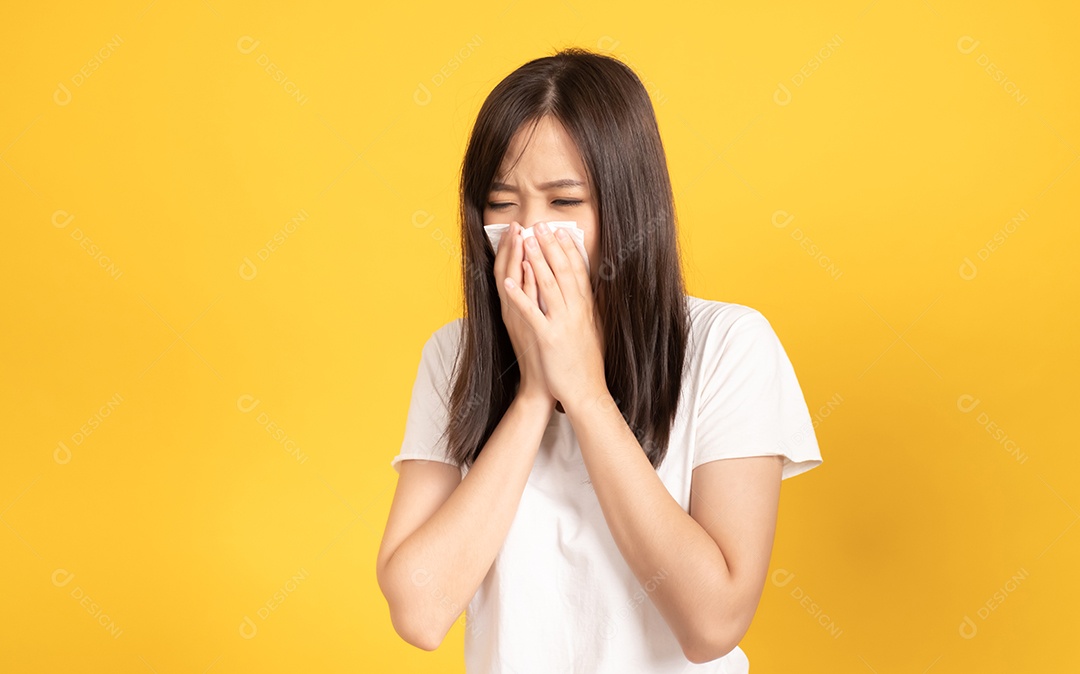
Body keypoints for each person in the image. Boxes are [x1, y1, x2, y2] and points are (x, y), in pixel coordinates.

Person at [376, 46, 824, 673]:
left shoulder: (730, 345)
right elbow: (420, 612)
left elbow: (713, 624)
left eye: (564, 203)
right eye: (503, 204)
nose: (530, 232)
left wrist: (585, 394)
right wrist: (533, 395)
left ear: (628, 207)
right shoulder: (454, 354)